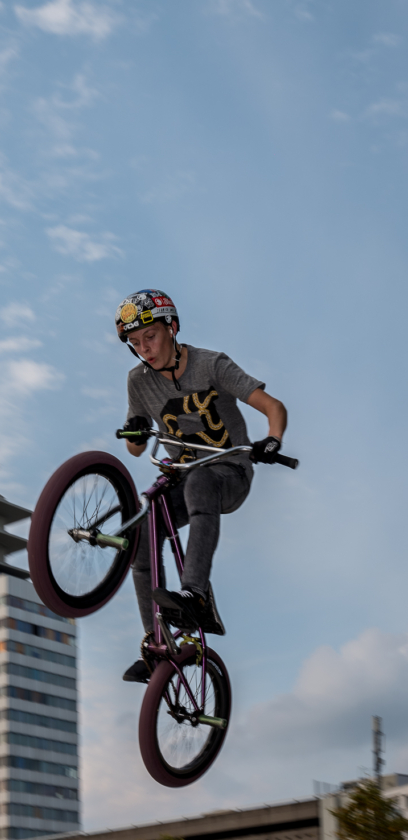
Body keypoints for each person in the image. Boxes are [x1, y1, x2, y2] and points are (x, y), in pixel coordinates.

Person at [115, 289, 288, 683]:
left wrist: (272, 440)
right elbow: (135, 448)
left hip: (228, 475)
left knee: (200, 479)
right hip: (184, 479)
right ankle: (156, 642)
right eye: (136, 343)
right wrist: (138, 431)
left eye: (151, 338)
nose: (145, 349)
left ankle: (193, 594)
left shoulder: (212, 365)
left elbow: (273, 407)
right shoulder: (138, 381)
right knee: (143, 528)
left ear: (172, 328)